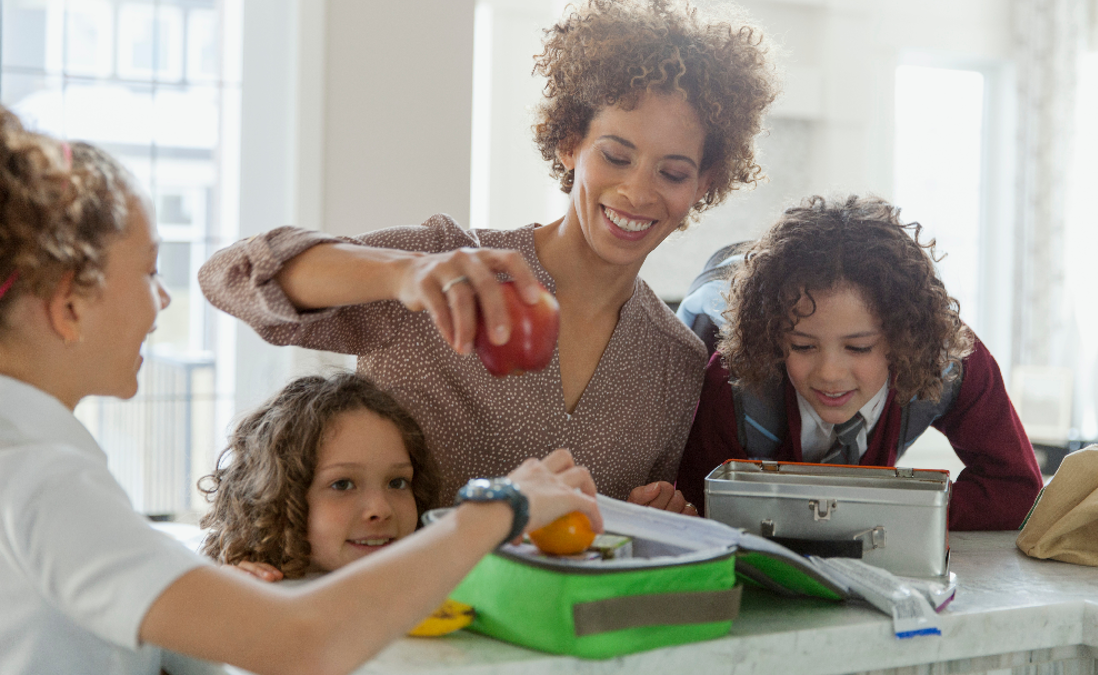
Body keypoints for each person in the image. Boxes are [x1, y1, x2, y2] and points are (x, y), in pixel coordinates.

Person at [0, 107, 600, 675]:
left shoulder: (34, 462)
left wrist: (208, 594)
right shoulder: (42, 478)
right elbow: (304, 644)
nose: (163, 299)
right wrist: (504, 504)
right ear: (71, 304)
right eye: (150, 271)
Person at [198, 0, 778, 512]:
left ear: (704, 184)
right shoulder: (445, 265)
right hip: (396, 618)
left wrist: (657, 514)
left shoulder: (674, 360)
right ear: (569, 142)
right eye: (617, 156)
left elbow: (613, 536)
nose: (638, 191)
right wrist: (406, 272)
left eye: (673, 171)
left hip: (544, 632)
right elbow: (230, 277)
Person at [675, 195, 1044, 530]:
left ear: (902, 340)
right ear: (776, 340)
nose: (830, 374)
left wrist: (883, 507)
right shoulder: (731, 380)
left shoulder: (950, 357)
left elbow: (1016, 490)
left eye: (859, 348)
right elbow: (702, 512)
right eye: (803, 346)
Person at [199, 372, 440, 581]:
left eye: (397, 483)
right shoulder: (245, 586)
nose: (381, 509)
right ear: (276, 498)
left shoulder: (437, 583)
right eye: (343, 484)